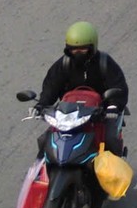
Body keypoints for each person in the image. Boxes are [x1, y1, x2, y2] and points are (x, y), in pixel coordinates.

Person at [36, 23, 129, 157]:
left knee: (110, 140)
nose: (78, 53)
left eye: (83, 49)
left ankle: (114, 173)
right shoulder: (63, 65)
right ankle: (41, 172)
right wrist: (41, 105)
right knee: (45, 140)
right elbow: (51, 86)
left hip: (100, 114)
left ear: (92, 47)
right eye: (74, 49)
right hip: (68, 115)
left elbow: (118, 86)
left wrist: (113, 106)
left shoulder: (105, 63)